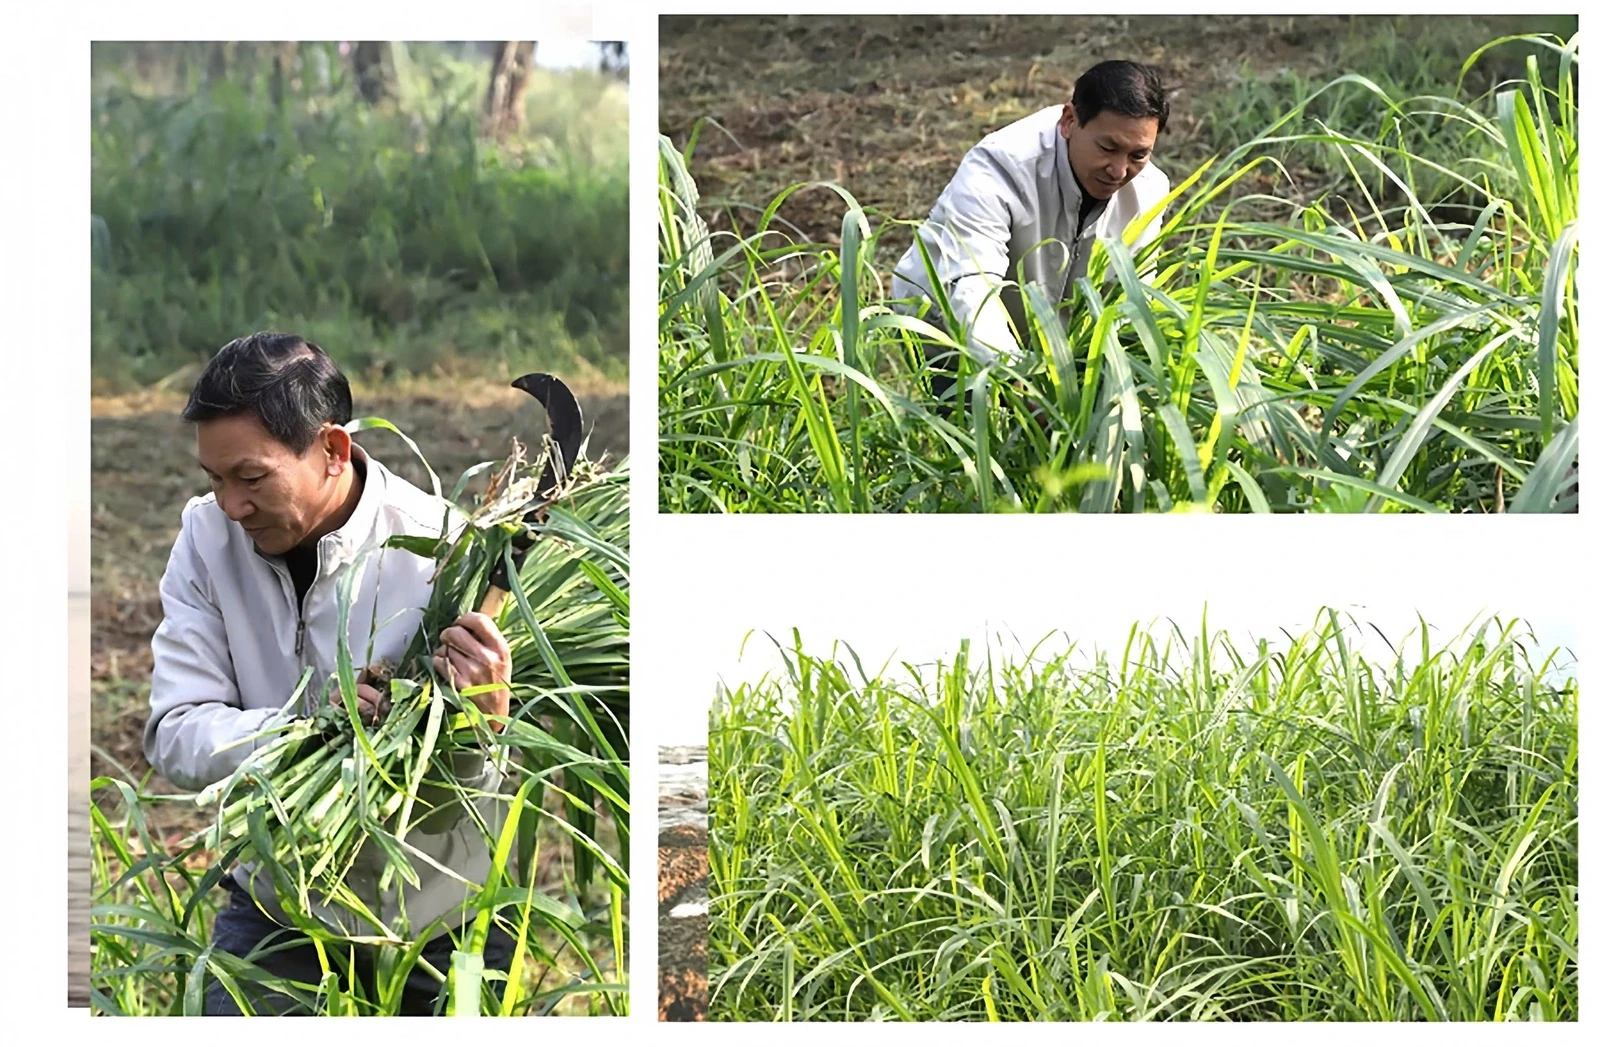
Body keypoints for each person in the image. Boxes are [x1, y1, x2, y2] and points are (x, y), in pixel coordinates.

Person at [143, 332, 517, 1015]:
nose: (231, 505)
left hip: (439, 916)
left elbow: (484, 786)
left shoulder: (447, 550)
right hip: (279, 903)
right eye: (215, 480)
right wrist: (308, 730)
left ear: (332, 451)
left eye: (251, 478)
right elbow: (176, 731)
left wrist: (486, 721)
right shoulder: (205, 537)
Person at [891, 59, 1173, 404]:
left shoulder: (1149, 189)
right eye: (1107, 148)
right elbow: (971, 292)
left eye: (1138, 154)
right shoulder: (999, 167)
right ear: (1069, 121)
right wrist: (1028, 389)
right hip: (946, 325)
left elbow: (1130, 301)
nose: (1118, 170)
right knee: (976, 434)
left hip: (1050, 339)